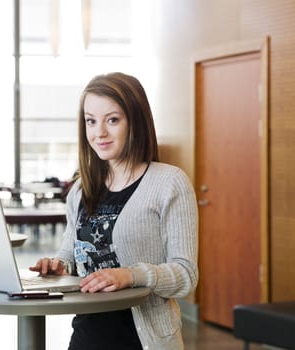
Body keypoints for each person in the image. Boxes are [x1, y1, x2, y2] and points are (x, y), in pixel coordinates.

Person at [30, 72, 198, 349]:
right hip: (87, 335)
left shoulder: (169, 182)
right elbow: (71, 255)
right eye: (91, 121)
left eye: (112, 120)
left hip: (141, 340)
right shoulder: (81, 190)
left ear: (136, 121)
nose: (99, 133)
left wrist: (131, 275)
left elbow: (186, 275)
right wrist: (58, 266)